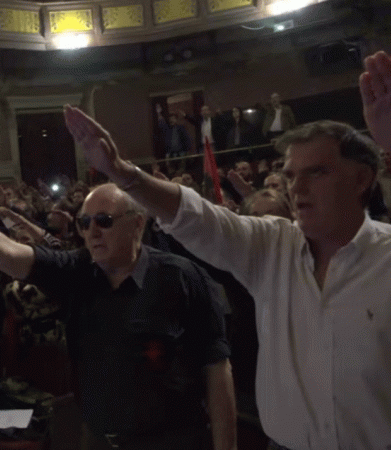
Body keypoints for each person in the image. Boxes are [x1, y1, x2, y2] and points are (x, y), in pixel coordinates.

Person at [58, 48, 391, 449]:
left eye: (316, 172)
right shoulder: (273, 246)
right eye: (289, 175)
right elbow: (198, 218)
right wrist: (122, 173)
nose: (296, 189)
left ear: (361, 180)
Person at [0, 180, 236, 450]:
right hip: (98, 437)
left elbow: (217, 371)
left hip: (172, 441)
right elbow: (8, 252)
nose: (91, 232)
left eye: (104, 221)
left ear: (138, 224)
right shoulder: (78, 270)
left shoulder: (182, 279)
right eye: (84, 223)